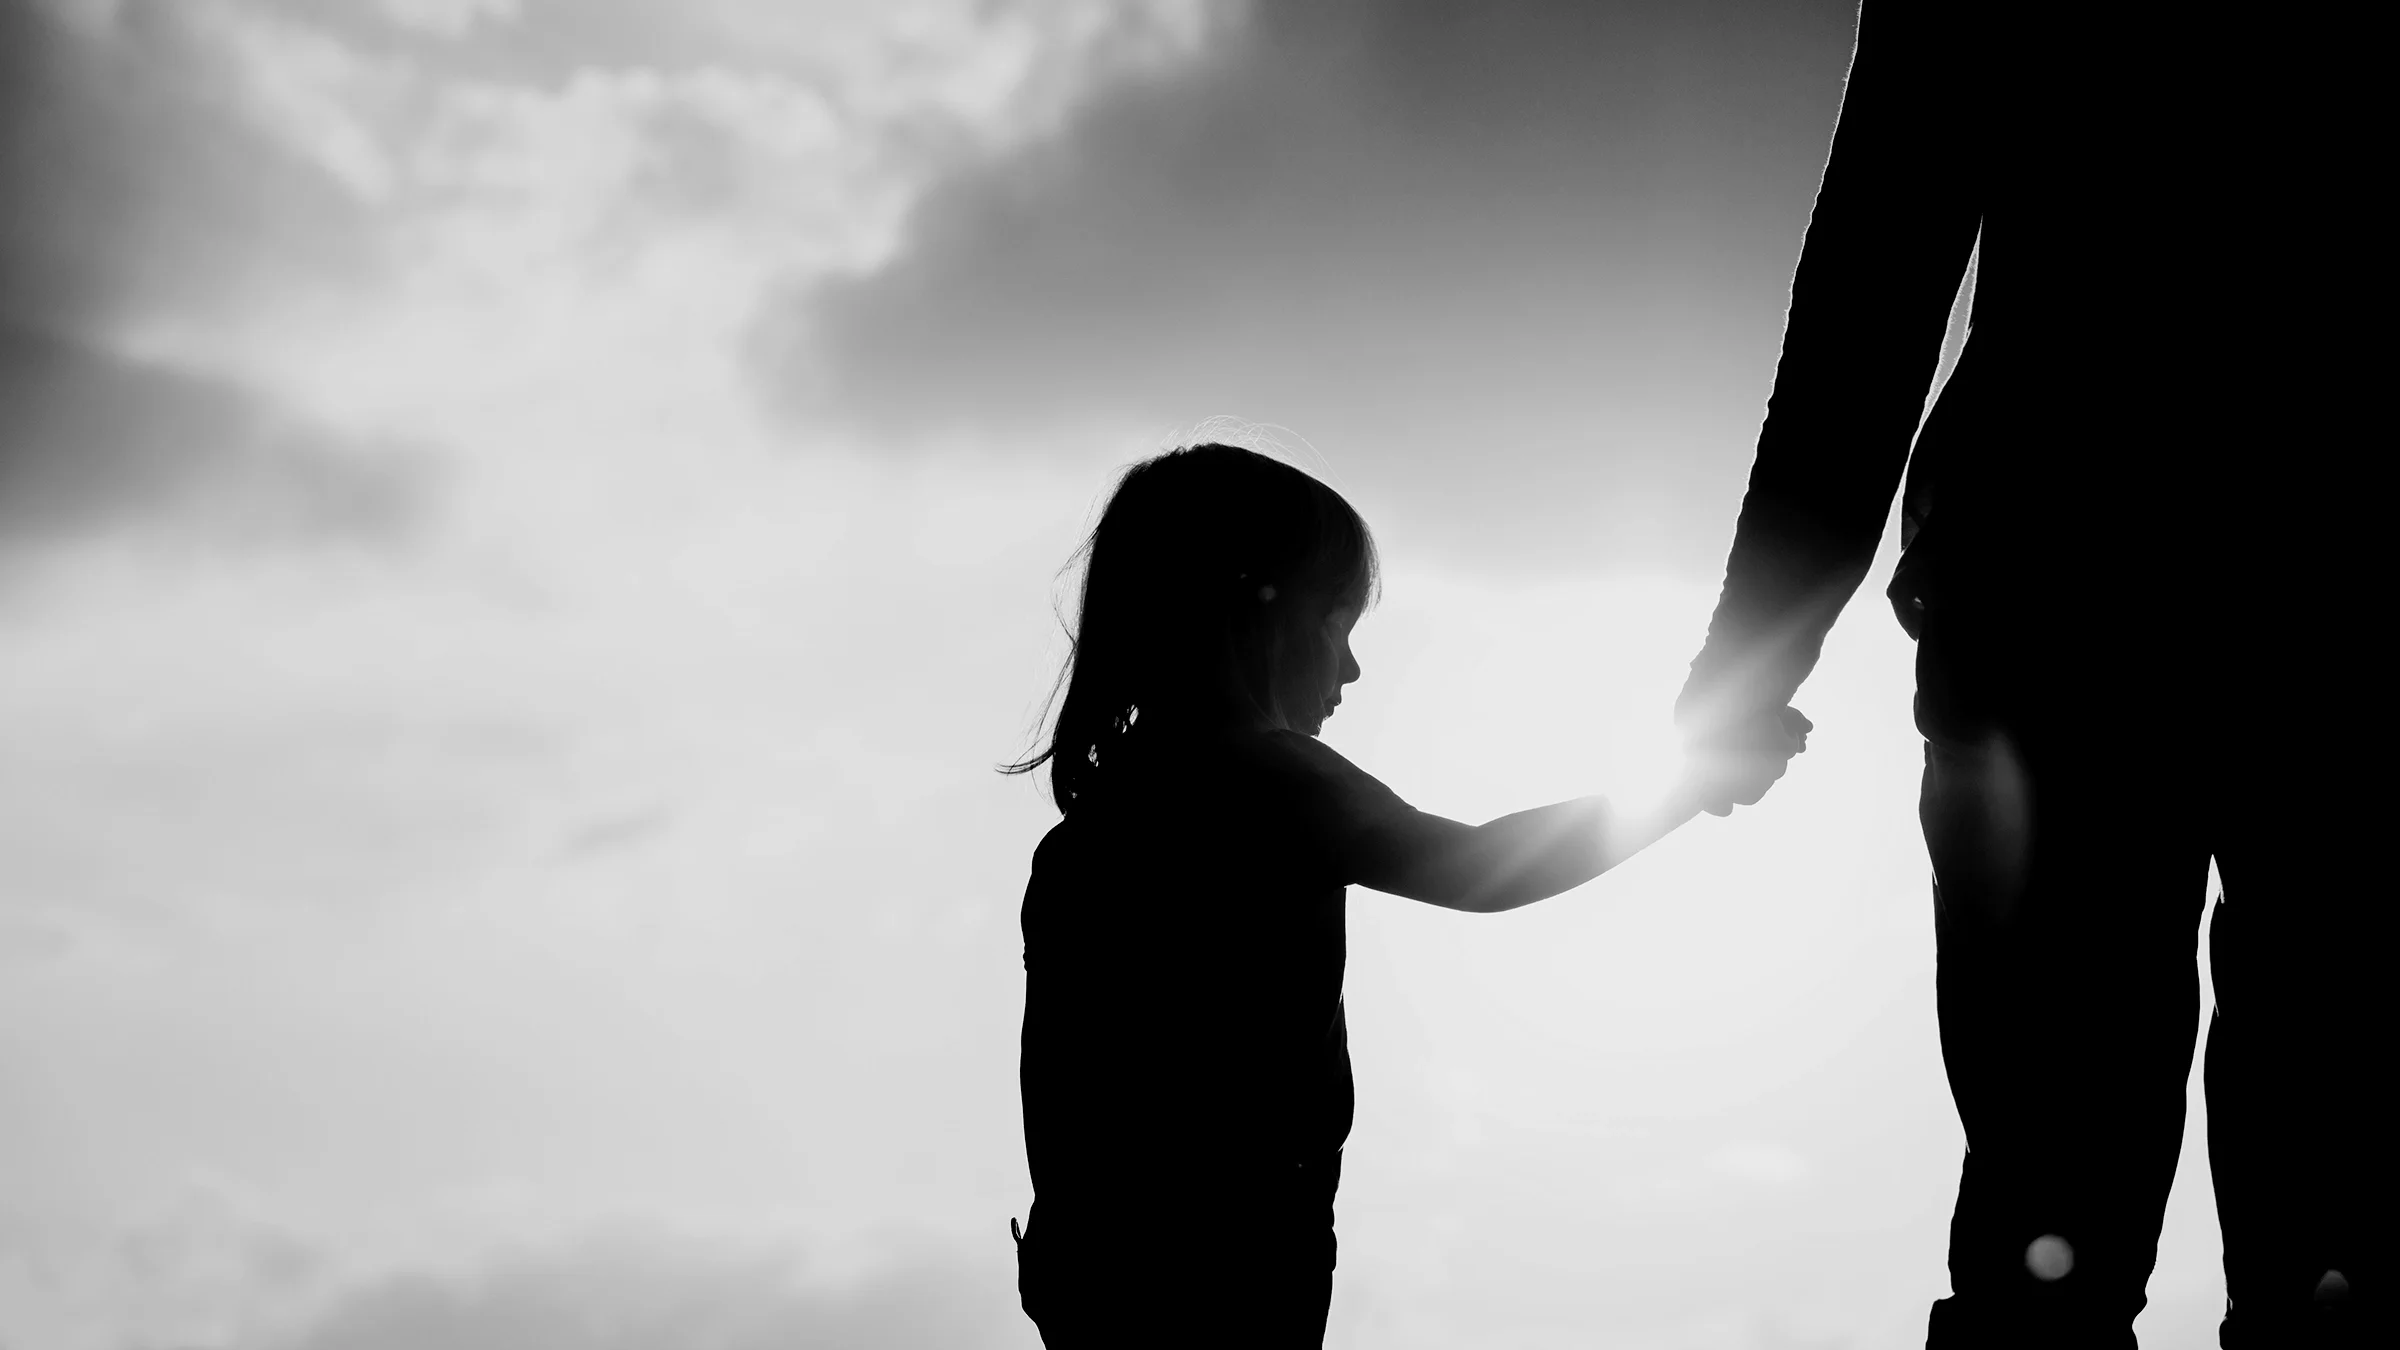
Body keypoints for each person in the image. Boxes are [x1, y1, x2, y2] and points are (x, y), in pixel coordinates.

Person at [1673, 4, 2384, 1347]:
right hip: (2331, 606)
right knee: (2347, 1199)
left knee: (2055, 1203)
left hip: (2061, 591)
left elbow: (1870, 292)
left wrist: (1748, 656)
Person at [1002, 443, 1802, 1348]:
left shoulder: (1083, 841)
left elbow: (1056, 1096)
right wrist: (1683, 787)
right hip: (1239, 1256)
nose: (1349, 670)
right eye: (1337, 623)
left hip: (1096, 1267)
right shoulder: (1276, 783)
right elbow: (1479, 867)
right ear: (1252, 614)